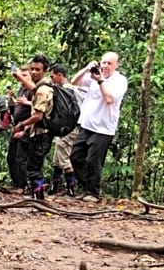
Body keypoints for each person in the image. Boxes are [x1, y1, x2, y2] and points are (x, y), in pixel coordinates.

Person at [70, 52, 127, 202]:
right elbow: (74, 82)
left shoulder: (119, 81)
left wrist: (101, 81)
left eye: (109, 63)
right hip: (86, 124)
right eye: (103, 63)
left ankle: (93, 192)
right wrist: (86, 69)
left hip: (103, 128)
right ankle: (87, 187)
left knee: (93, 161)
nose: (105, 66)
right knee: (76, 156)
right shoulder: (94, 76)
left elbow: (109, 99)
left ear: (116, 65)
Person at [12, 55, 57, 201]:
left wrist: (22, 125)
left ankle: (38, 199)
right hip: (37, 132)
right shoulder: (41, 87)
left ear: (45, 71)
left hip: (42, 133)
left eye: (37, 69)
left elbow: (38, 115)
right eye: (32, 69)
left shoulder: (43, 90)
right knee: (34, 165)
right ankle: (37, 197)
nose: (33, 72)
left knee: (34, 167)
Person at [48, 64, 82, 197]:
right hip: (67, 128)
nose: (51, 79)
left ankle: (71, 189)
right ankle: (54, 186)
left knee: (64, 158)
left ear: (59, 75)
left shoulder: (65, 91)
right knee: (58, 157)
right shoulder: (69, 89)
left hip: (68, 128)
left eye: (52, 76)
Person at [6, 65, 35, 191]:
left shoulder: (33, 89)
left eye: (25, 75)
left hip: (27, 128)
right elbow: (16, 111)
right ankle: (17, 184)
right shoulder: (22, 90)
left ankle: (23, 185)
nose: (22, 78)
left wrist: (25, 130)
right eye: (21, 75)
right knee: (11, 157)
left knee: (20, 158)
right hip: (17, 127)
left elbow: (39, 108)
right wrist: (13, 101)